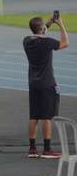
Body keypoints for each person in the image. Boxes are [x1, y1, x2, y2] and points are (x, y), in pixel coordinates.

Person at [23, 15, 69, 158]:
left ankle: (32, 149)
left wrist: (48, 24)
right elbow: (65, 43)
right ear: (42, 29)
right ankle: (47, 150)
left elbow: (39, 34)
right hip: (47, 83)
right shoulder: (47, 42)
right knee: (47, 117)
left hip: (33, 83)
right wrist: (61, 25)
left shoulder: (27, 41)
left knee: (34, 116)